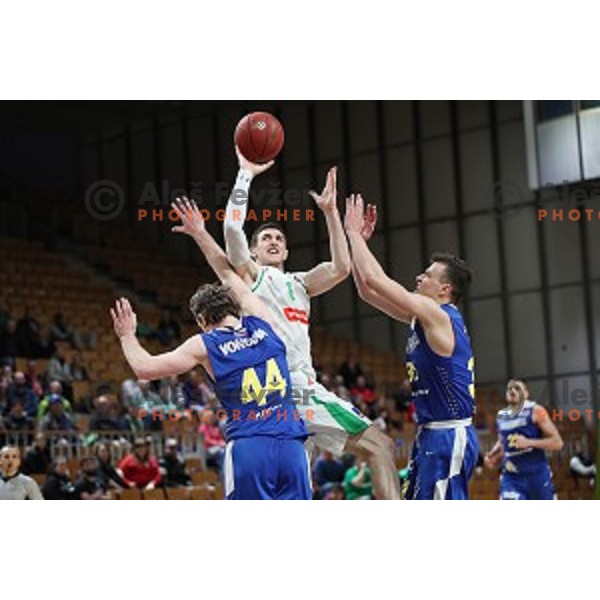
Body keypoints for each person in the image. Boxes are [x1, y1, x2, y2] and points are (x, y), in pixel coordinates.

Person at [178, 151, 399, 500]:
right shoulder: (252, 277)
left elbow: (342, 267)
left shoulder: (301, 282)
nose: (274, 241)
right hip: (291, 386)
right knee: (381, 446)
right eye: (265, 238)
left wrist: (329, 213)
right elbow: (232, 228)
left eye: (279, 238)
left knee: (296, 494)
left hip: (288, 395)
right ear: (251, 253)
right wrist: (245, 174)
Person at [112, 203, 311, 500]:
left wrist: (127, 335)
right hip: (293, 446)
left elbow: (144, 368)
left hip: (250, 447)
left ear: (203, 320)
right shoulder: (264, 321)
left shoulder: (206, 343)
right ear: (234, 308)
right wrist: (201, 233)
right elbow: (231, 278)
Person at [344, 194, 479, 500]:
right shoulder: (424, 318)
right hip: (430, 433)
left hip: (448, 434)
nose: (419, 277)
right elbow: (367, 291)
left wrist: (353, 234)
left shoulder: (438, 314)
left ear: (445, 289)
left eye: (428, 275)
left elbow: (376, 279)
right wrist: (358, 245)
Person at [484, 379, 563, 500]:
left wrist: (529, 442)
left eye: (518, 389)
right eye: (510, 389)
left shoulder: (537, 411)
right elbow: (502, 442)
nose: (513, 391)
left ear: (526, 394)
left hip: (537, 474)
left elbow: (558, 443)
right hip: (512, 476)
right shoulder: (501, 416)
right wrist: (493, 456)